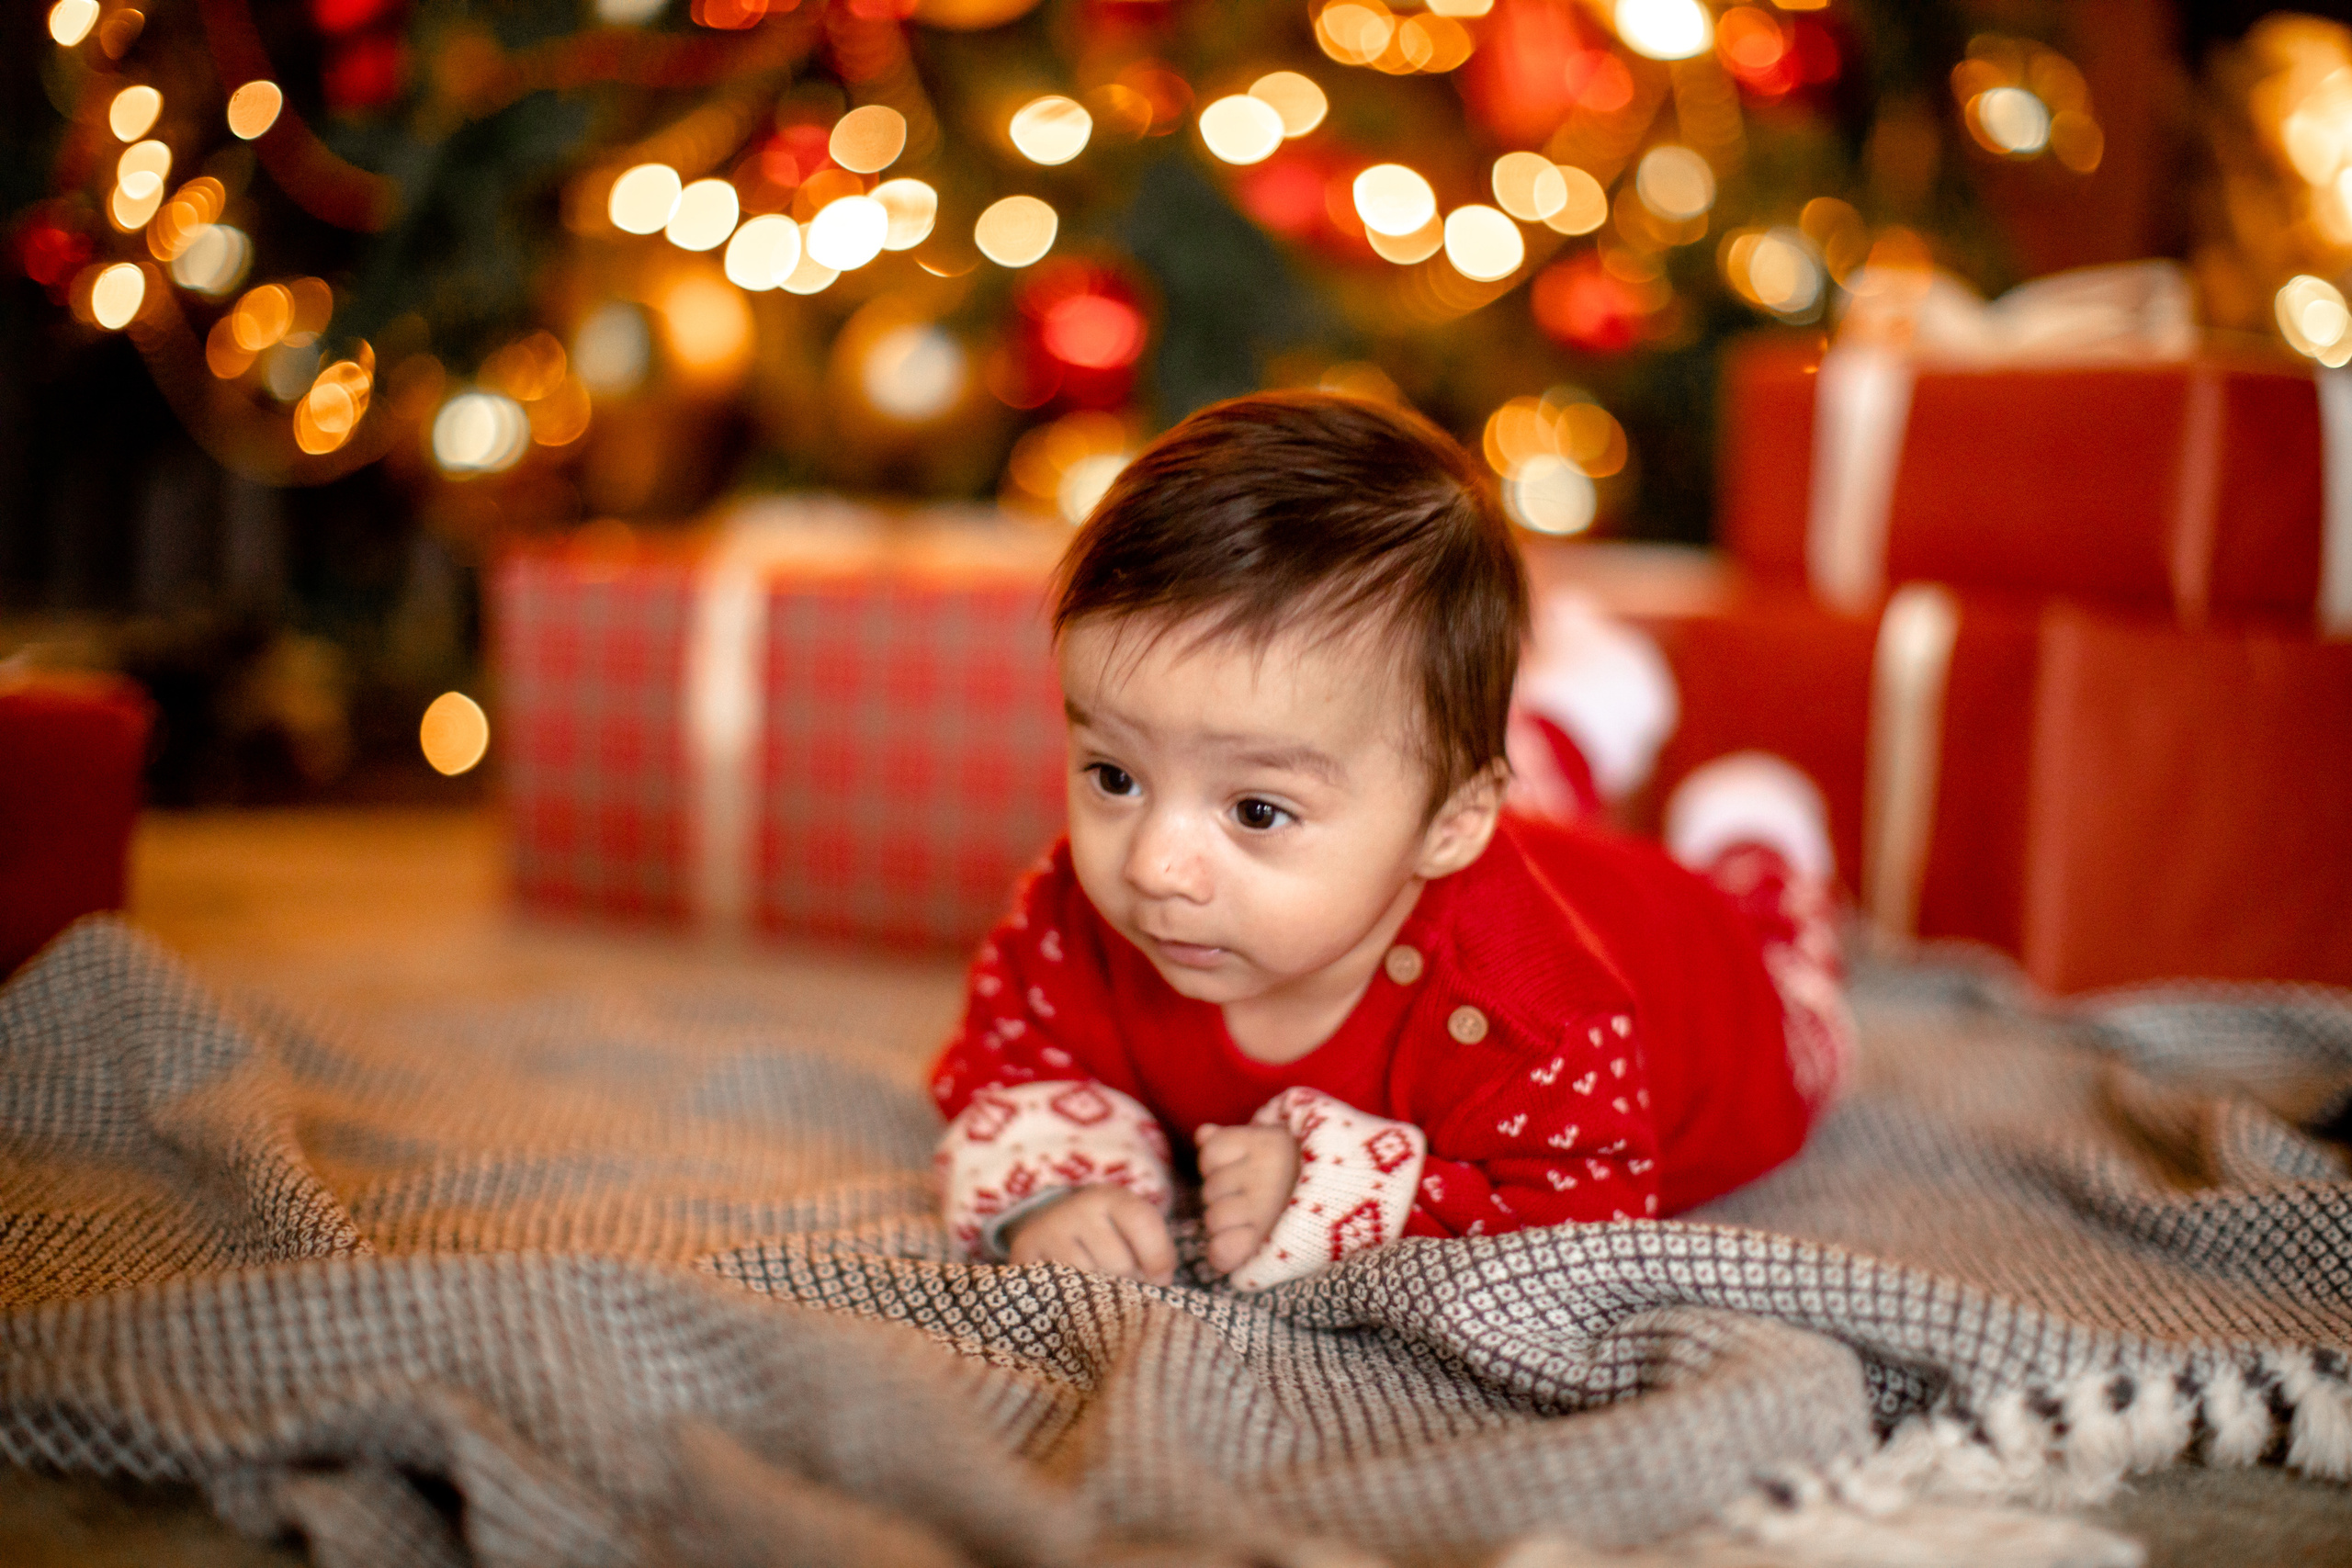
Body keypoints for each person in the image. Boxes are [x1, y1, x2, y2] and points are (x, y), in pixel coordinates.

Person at [928, 392, 1851, 1291]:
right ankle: (1567, 721)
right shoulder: (1076, 920)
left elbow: (1586, 1217)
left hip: (1709, 969)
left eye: (1255, 812)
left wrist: (1346, 1195)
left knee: (1783, 963)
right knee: (1420, 767)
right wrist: (1057, 1185)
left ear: (1453, 831)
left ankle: (1758, 839)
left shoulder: (1530, 1019)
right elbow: (1011, 1053)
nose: (1151, 867)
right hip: (1479, 829)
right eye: (1115, 777)